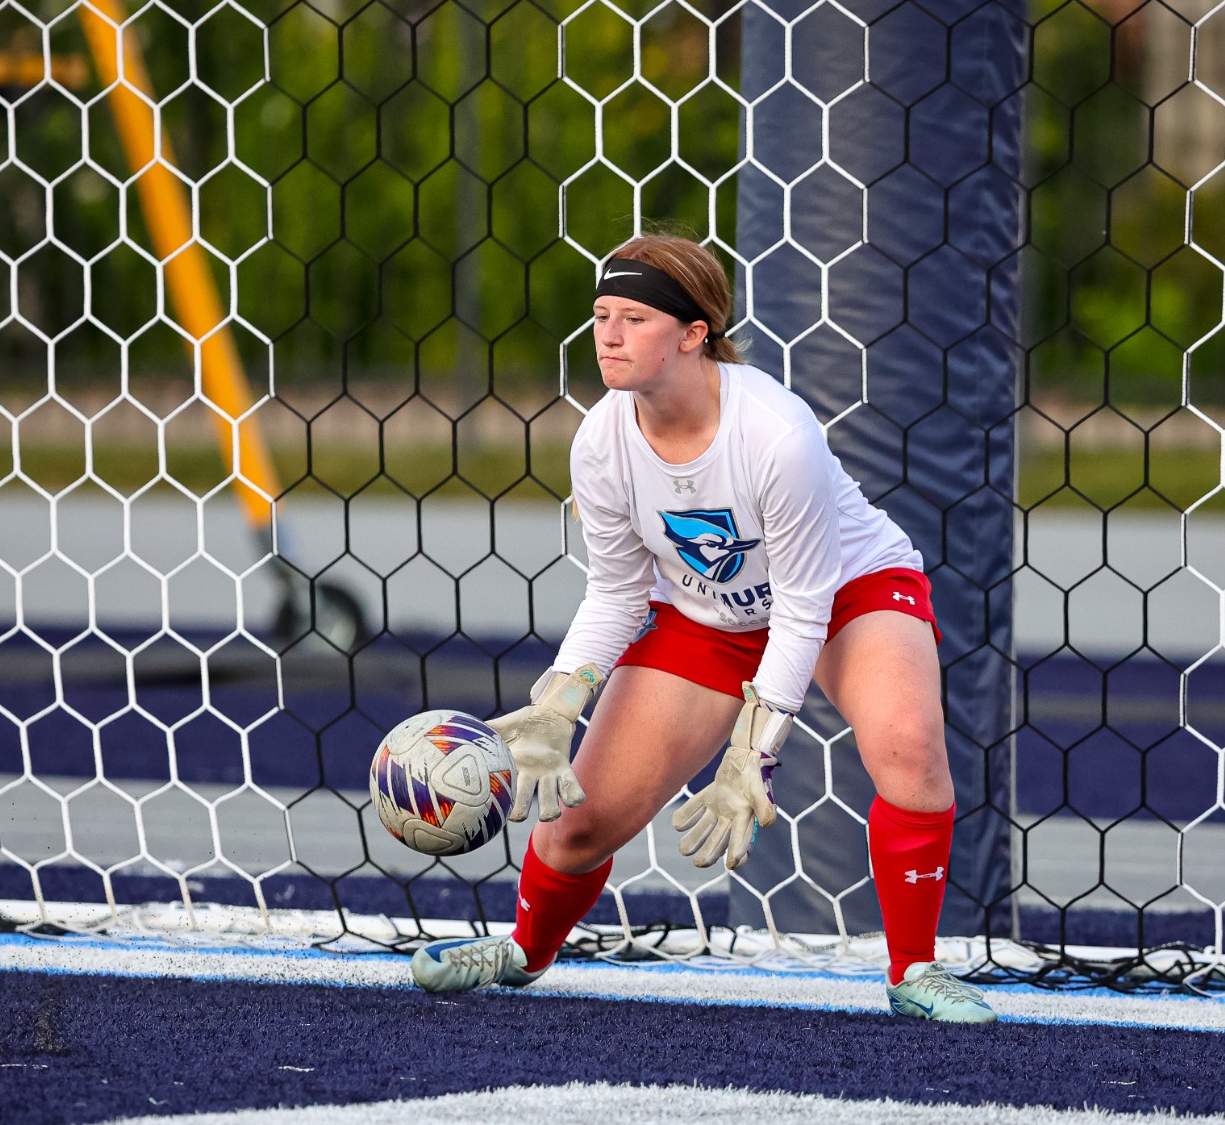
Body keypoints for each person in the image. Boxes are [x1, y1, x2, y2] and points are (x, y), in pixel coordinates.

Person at [411, 236, 994, 1023]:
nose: (609, 335)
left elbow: (800, 605)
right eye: (601, 315)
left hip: (844, 592)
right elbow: (617, 591)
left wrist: (751, 750)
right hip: (707, 613)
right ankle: (524, 950)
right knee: (578, 824)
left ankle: (914, 969)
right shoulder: (601, 441)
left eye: (635, 317)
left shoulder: (777, 433)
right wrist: (560, 703)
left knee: (910, 745)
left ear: (693, 334)